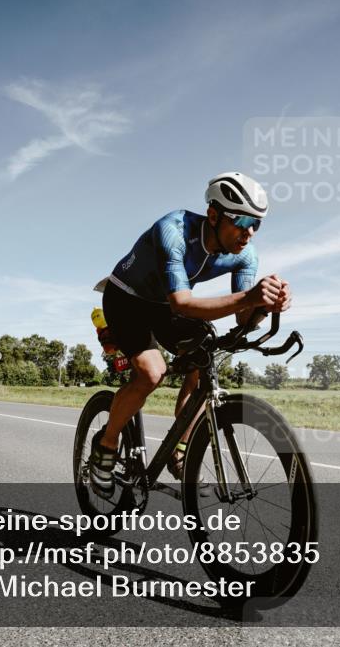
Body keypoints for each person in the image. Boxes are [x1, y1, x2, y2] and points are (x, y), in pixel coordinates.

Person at [88, 172, 291, 498]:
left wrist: (267, 305)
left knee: (205, 356)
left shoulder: (244, 255)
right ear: (213, 214)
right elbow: (182, 302)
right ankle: (105, 447)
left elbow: (243, 317)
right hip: (126, 298)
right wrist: (252, 297)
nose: (249, 233)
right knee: (152, 372)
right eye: (241, 221)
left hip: (163, 307)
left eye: (257, 224)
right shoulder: (173, 230)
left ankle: (179, 450)